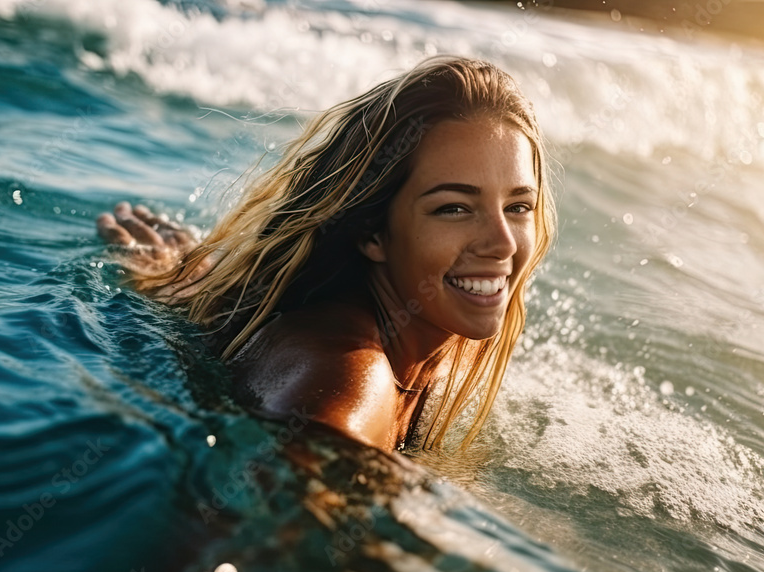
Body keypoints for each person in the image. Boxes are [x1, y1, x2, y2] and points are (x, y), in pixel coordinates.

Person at [96, 56, 555, 455]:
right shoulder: (349, 385)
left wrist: (195, 282)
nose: (504, 243)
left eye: (518, 207)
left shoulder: (435, 330)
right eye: (453, 208)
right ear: (373, 232)